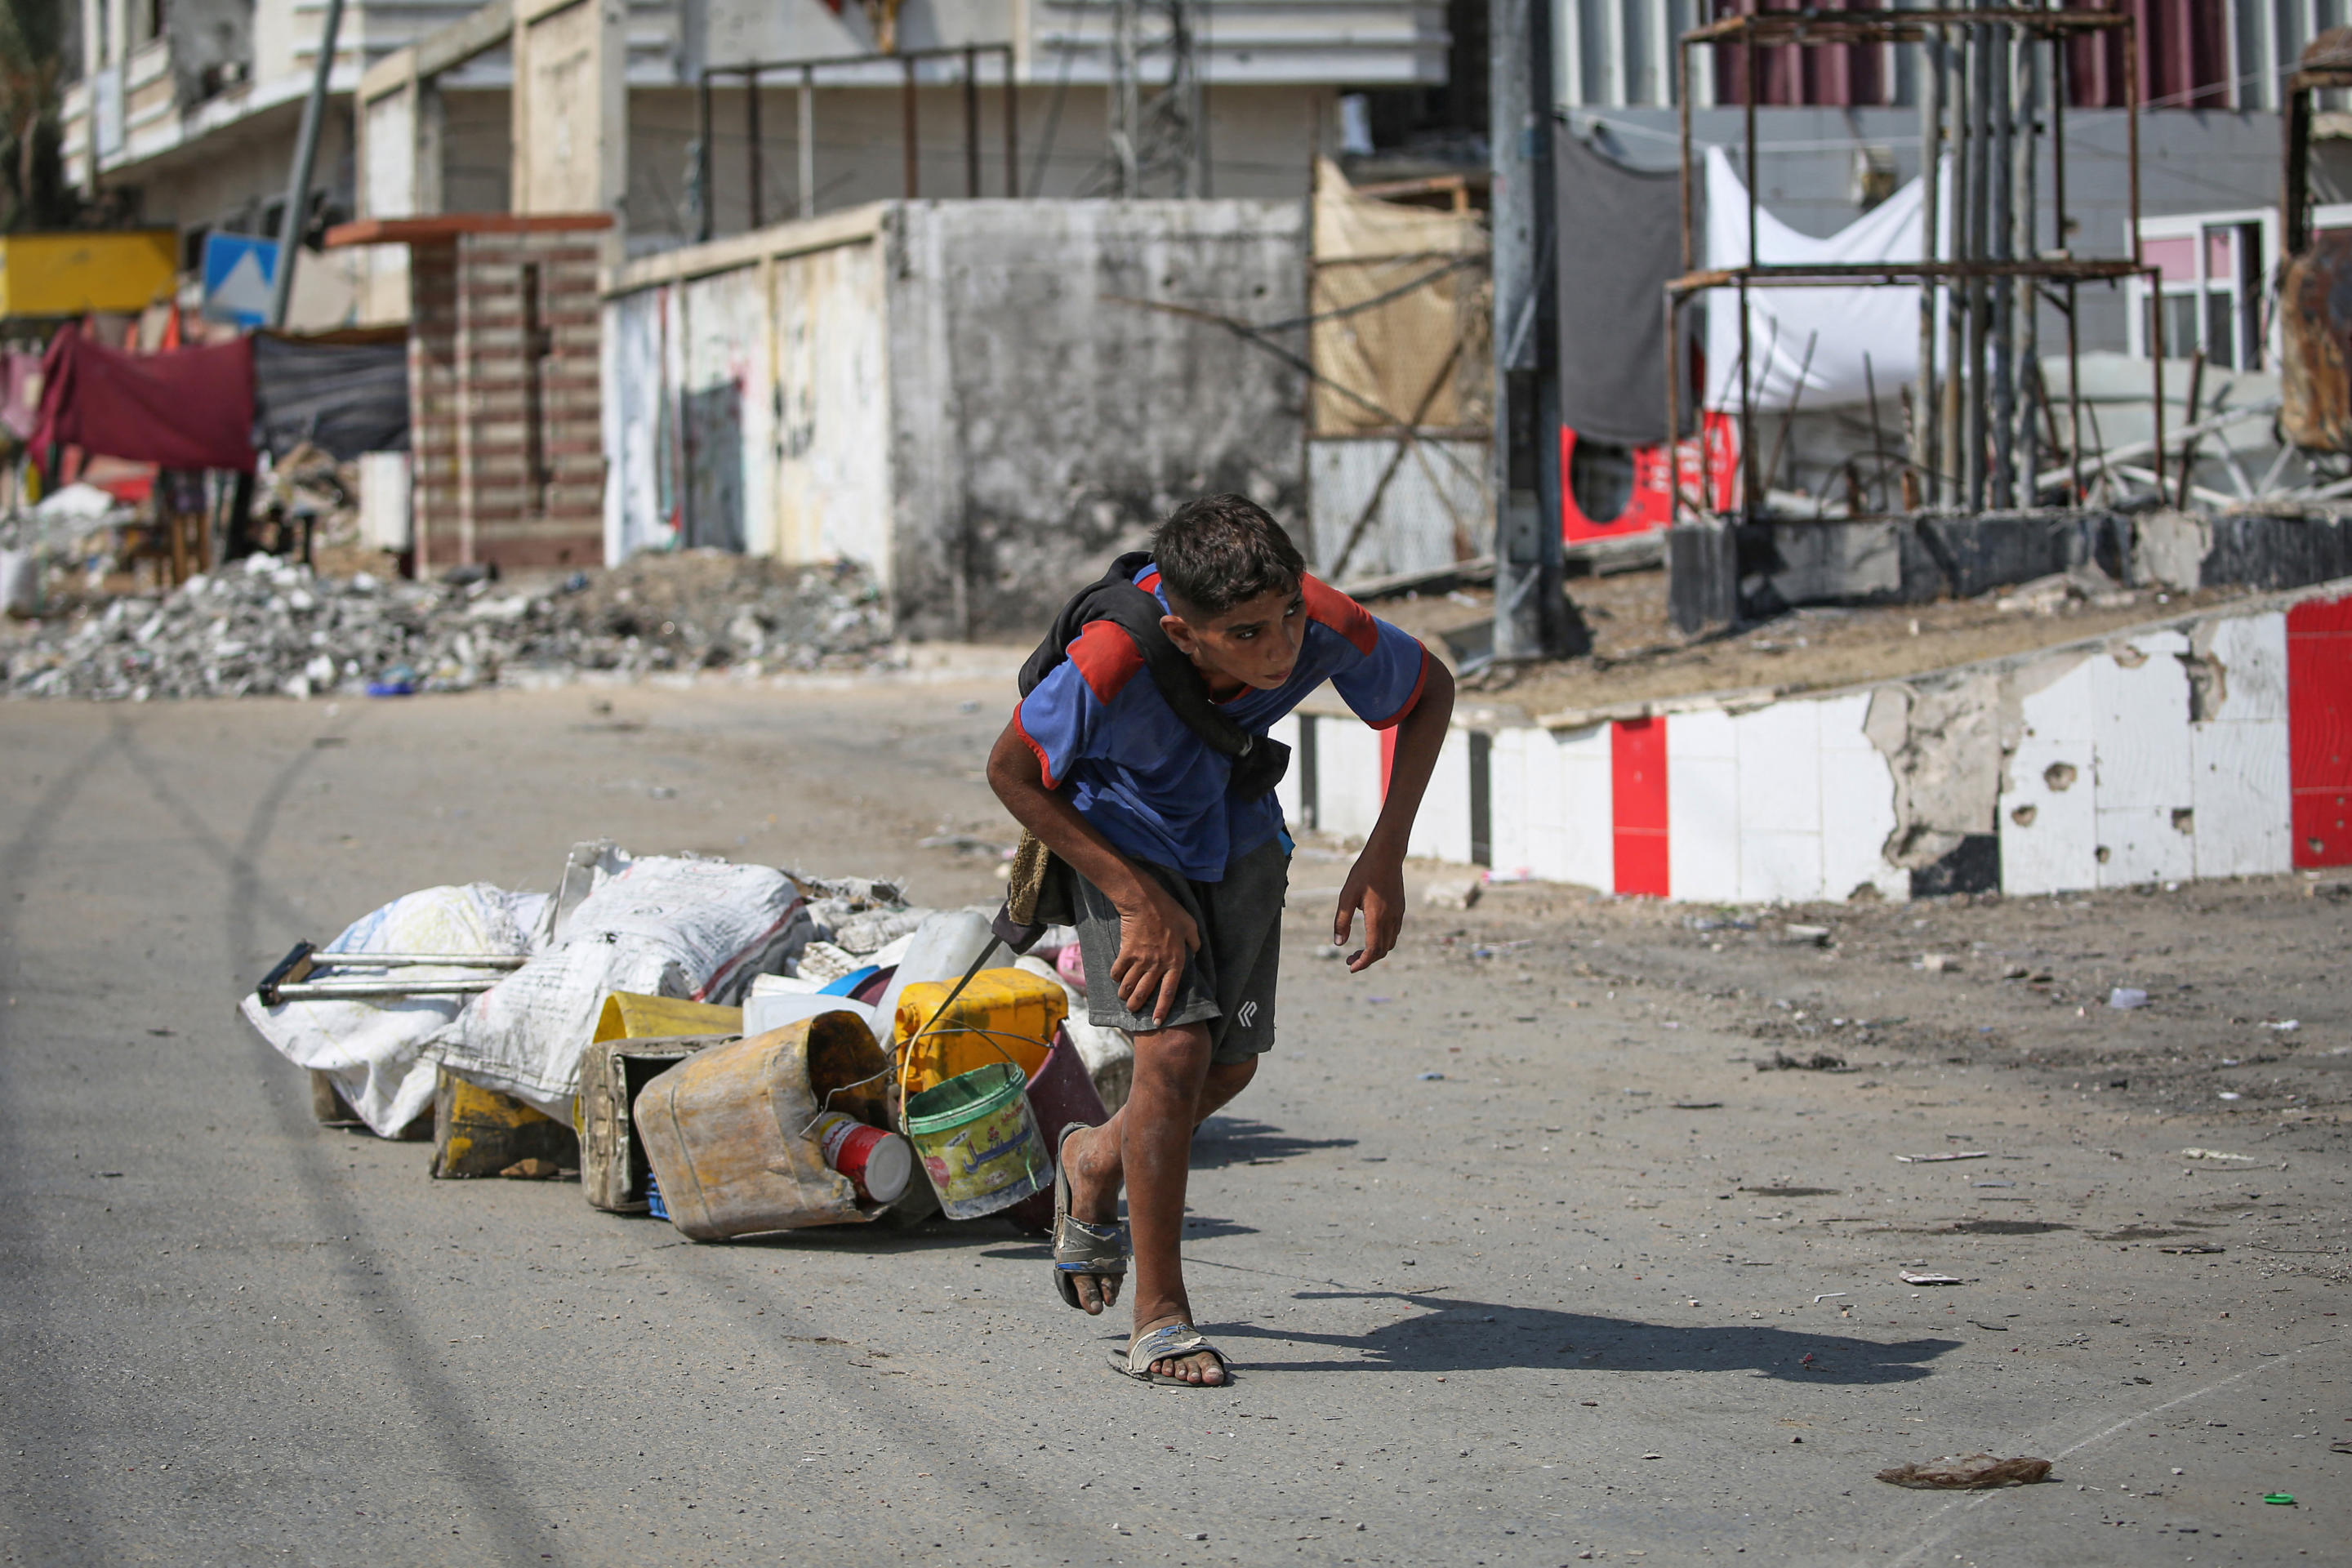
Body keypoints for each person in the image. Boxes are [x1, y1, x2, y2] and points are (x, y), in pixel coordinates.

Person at [985, 494, 1455, 1386]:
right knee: (1173, 1052)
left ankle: (1091, 1155)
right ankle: (1159, 1318)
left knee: (1226, 1069)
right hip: (1116, 836)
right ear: (1183, 631)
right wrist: (1134, 900)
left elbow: (1430, 689)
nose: (1280, 650)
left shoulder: (1320, 618)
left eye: (1284, 619)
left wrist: (1384, 853)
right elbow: (1012, 772)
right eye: (1245, 634)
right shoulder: (1114, 656)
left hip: (1234, 826)